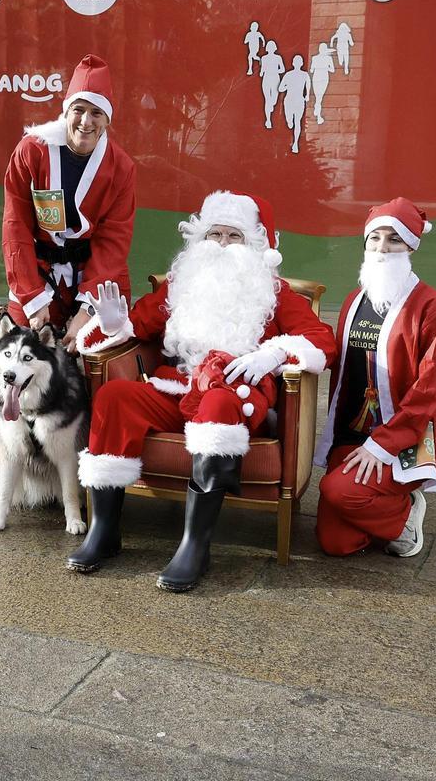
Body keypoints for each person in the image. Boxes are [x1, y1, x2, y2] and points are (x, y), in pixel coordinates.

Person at [67, 191, 336, 592]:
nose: (222, 244)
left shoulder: (274, 292)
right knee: (114, 397)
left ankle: (195, 545)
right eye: (215, 234)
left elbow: (322, 339)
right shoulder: (181, 285)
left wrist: (275, 353)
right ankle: (104, 531)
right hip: (179, 388)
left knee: (218, 403)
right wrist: (111, 325)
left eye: (234, 235)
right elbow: (138, 325)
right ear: (200, 238)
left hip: (234, 396)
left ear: (254, 243)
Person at [0, 54, 136, 506]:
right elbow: (15, 225)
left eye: (96, 113)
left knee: (98, 361)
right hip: (35, 272)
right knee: (16, 364)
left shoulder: (121, 167)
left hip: (94, 277)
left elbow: (113, 239)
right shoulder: (31, 151)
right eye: (79, 110)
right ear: (65, 110)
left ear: (108, 120)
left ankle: (94, 464)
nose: (86, 122)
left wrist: (87, 311)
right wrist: (34, 302)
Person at [313, 198, 436, 558]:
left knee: (339, 492)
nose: (382, 248)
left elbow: (431, 390)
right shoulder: (354, 301)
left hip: (406, 439)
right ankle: (382, 506)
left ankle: (403, 514)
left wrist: (382, 445)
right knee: (335, 544)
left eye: (394, 239)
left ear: (411, 246)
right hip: (353, 435)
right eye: (374, 238)